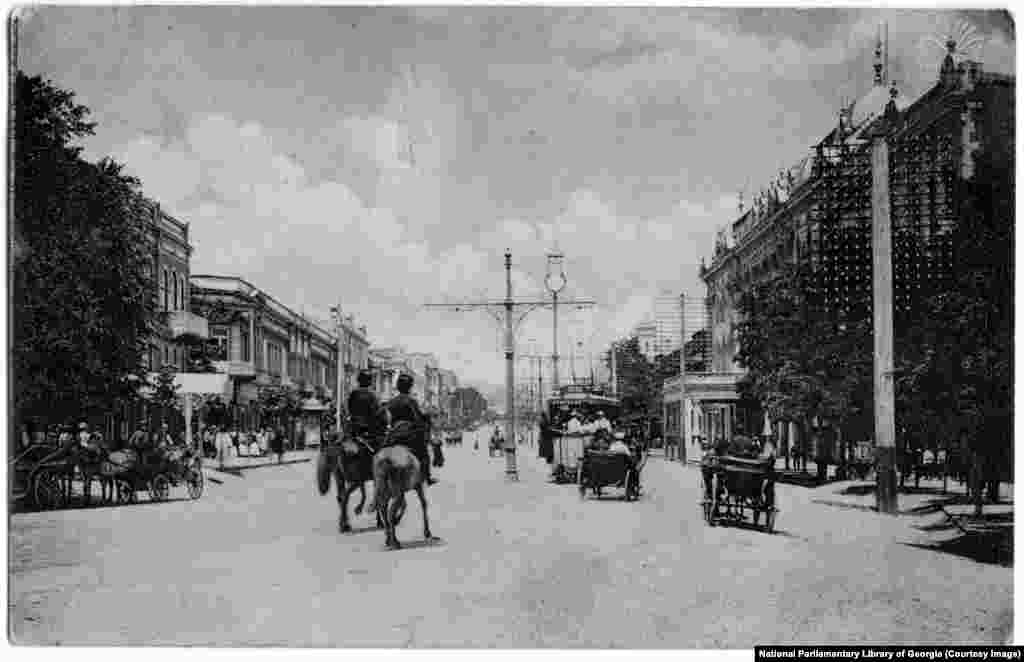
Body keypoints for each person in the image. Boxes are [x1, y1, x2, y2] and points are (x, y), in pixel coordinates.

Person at [385, 373, 436, 485]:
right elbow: (417, 419)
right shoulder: (411, 401)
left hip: (393, 435)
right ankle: (427, 477)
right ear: (409, 387)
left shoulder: (391, 402)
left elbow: (387, 419)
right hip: (409, 436)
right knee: (424, 454)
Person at [347, 369, 387, 449]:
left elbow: (350, 409)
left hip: (355, 430)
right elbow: (378, 414)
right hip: (370, 432)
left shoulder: (353, 394)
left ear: (359, 380)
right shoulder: (373, 395)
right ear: (370, 381)